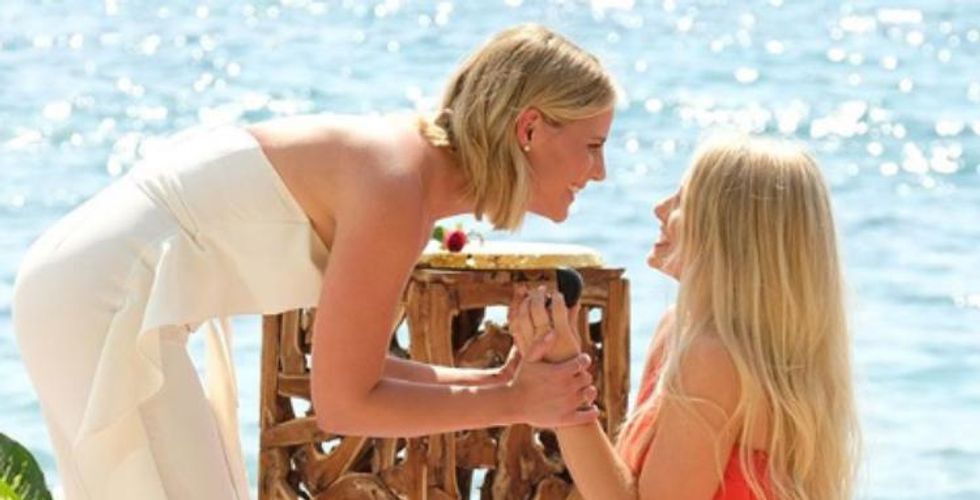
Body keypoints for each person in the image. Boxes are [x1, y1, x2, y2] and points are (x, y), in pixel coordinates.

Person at [11, 24, 615, 499]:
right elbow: (345, 402)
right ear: (529, 128)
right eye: (592, 146)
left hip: (91, 289)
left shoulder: (407, 176)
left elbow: (358, 371)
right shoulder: (395, 185)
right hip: (98, 297)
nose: (601, 172)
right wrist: (514, 401)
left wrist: (502, 385)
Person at [510, 134, 860, 499]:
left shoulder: (714, 356)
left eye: (683, 200)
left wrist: (563, 370)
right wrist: (560, 378)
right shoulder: (681, 329)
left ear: (729, 232)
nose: (660, 209)